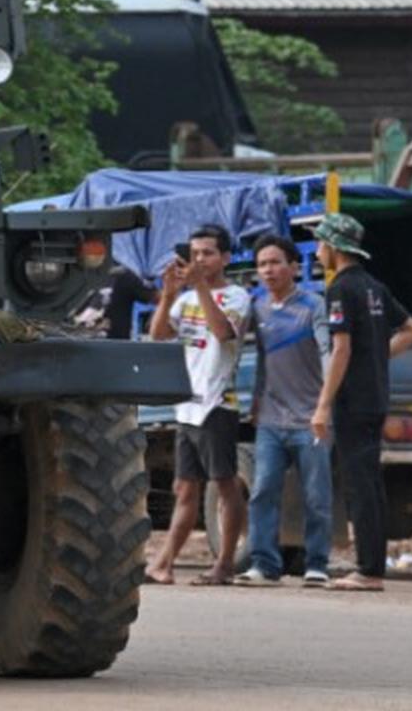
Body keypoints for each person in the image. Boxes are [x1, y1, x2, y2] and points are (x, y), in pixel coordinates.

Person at [309, 212, 412, 593]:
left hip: (352, 400)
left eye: (321, 243)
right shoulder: (374, 286)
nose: (318, 251)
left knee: (360, 486)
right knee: (370, 484)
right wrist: (376, 355)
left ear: (335, 248)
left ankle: (369, 570)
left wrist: (323, 404)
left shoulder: (340, 289)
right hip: (375, 395)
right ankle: (371, 565)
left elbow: (341, 348)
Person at [144, 224, 251, 586]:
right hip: (187, 406)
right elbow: (158, 335)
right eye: (194, 254)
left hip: (217, 403)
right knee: (184, 488)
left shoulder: (236, 296)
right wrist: (168, 294)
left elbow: (223, 334)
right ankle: (163, 563)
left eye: (207, 253)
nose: (199, 260)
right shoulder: (186, 299)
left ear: (225, 258)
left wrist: (200, 286)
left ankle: (224, 564)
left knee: (225, 484)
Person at [237, 235, 333, 588]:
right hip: (271, 420)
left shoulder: (313, 305)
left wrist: (324, 405)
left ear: (295, 267)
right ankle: (264, 564)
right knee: (263, 490)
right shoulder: (257, 308)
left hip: (311, 419)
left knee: (316, 494)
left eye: (276, 262)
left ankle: (317, 564)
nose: (268, 270)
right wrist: (255, 400)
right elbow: (255, 356)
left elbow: (328, 353)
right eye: (262, 264)